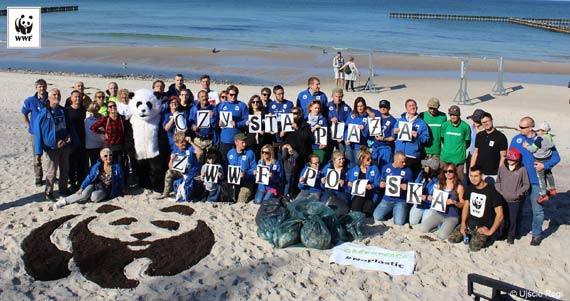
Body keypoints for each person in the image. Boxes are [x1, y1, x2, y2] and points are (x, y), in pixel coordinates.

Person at [510, 116, 560, 246]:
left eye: (522, 127)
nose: (519, 129)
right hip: (519, 180)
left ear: (531, 127)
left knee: (537, 209)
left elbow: (556, 158)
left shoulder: (542, 139)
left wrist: (545, 166)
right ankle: (515, 231)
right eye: (519, 126)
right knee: (517, 206)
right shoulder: (517, 139)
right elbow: (510, 157)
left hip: (536, 181)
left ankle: (536, 234)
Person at [33, 88, 76, 201]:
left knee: (65, 169)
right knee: (51, 171)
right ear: (49, 97)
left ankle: (63, 189)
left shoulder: (63, 110)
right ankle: (49, 192)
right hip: (52, 147)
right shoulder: (44, 113)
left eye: (58, 94)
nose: (57, 96)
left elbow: (69, 126)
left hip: (65, 145)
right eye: (54, 95)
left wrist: (69, 136)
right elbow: (38, 132)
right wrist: (40, 150)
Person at [448, 165, 504, 252]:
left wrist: (490, 231)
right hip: (470, 224)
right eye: (471, 176)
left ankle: (489, 237)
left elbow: (500, 215)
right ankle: (470, 235)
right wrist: (463, 224)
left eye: (476, 176)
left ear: (481, 176)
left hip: (483, 227)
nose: (473, 179)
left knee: (473, 247)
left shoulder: (492, 192)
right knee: (452, 238)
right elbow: (466, 207)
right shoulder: (470, 189)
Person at [54, 148, 125, 209]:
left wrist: (122, 190)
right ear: (102, 157)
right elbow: (89, 177)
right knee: (83, 194)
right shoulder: (97, 166)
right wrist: (82, 188)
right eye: (105, 156)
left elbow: (120, 179)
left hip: (106, 189)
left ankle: (89, 195)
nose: (108, 157)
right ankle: (64, 201)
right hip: (95, 184)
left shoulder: (117, 167)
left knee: (94, 197)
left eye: (110, 155)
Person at [419, 162, 466, 240]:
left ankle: (451, 227)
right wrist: (428, 197)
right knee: (423, 228)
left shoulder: (459, 187)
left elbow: (463, 204)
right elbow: (435, 199)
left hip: (451, 216)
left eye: (450, 171)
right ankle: (439, 226)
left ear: (454, 172)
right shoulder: (440, 184)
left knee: (442, 236)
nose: (448, 173)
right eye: (445, 171)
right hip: (438, 213)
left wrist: (454, 202)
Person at [495, 148, 530, 244]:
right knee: (503, 218)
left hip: (514, 200)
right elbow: (498, 181)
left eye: (512, 159)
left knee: (513, 219)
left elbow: (526, 185)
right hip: (502, 198)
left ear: (517, 160)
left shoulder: (522, 170)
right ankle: (502, 234)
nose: (509, 161)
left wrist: (518, 193)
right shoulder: (502, 168)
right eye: (508, 159)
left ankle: (511, 236)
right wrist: (500, 191)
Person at [157, 132, 202, 200]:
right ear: (177, 144)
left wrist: (191, 142)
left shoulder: (189, 148)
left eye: (184, 141)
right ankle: (166, 193)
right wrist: (171, 159)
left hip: (192, 173)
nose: (184, 143)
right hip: (182, 172)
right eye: (181, 142)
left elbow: (200, 152)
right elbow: (171, 168)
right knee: (169, 172)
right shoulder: (175, 150)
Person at [373, 152, 414, 225]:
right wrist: (382, 183)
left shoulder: (408, 171)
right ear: (396, 160)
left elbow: (413, 187)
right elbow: (382, 179)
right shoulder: (386, 168)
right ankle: (389, 215)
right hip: (387, 199)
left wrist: (407, 187)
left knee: (399, 223)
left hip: (400, 200)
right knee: (376, 216)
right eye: (402, 162)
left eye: (405, 161)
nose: (404, 163)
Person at [393, 99, 430, 178]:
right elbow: (393, 136)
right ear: (406, 108)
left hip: (412, 155)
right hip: (399, 154)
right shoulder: (400, 120)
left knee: (411, 178)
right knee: (398, 177)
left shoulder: (421, 123)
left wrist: (418, 136)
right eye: (410, 106)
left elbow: (426, 139)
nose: (412, 107)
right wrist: (394, 132)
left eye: (414, 105)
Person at [22, 79, 48, 186]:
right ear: (36, 88)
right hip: (35, 133)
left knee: (51, 156)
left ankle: (50, 176)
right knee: (37, 156)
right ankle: (38, 177)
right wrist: (29, 126)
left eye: (43, 86)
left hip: (48, 132)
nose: (42, 88)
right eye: (40, 87)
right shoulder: (30, 100)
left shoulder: (50, 99)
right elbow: (24, 113)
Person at [470, 112, 508, 184]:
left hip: (493, 173)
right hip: (479, 172)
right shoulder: (480, 135)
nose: (485, 124)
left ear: (491, 120)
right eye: (483, 122)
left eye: (487, 121)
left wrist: (500, 173)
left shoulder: (500, 137)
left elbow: (503, 156)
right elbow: (475, 152)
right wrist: (471, 169)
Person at [523, 121, 557, 203]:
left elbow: (533, 149)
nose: (536, 132)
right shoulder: (549, 137)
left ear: (544, 131)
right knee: (549, 173)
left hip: (539, 159)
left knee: (541, 178)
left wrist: (526, 146)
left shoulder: (539, 139)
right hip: (548, 158)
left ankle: (543, 194)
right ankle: (553, 188)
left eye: (538, 131)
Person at [90, 101, 127, 169]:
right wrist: (103, 133)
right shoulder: (106, 119)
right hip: (110, 146)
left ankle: (123, 179)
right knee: (111, 166)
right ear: (108, 109)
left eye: (114, 105)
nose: (113, 107)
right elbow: (93, 127)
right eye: (110, 106)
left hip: (121, 145)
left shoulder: (122, 118)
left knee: (122, 165)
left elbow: (127, 130)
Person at [440, 105, 471, 183]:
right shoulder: (445, 125)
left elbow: (468, 142)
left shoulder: (465, 127)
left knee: (459, 181)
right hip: (445, 158)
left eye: (455, 115)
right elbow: (442, 139)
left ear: (459, 115)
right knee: (443, 179)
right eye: (451, 115)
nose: (453, 117)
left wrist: (459, 150)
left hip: (459, 159)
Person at [347, 147, 380, 217]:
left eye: (371, 158)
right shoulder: (355, 169)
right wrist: (350, 184)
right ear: (362, 159)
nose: (370, 161)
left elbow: (377, 183)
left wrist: (372, 186)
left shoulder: (374, 168)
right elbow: (350, 182)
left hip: (370, 196)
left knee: (366, 213)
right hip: (358, 196)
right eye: (368, 159)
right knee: (356, 212)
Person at [218, 85, 249, 157]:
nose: (233, 96)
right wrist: (218, 123)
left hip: (238, 139)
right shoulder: (221, 105)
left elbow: (247, 120)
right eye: (231, 95)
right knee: (224, 161)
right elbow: (216, 118)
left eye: (235, 95)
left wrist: (237, 124)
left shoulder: (242, 105)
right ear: (227, 94)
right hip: (225, 139)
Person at [66, 90, 88, 191]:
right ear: (71, 99)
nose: (77, 99)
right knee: (71, 164)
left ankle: (80, 183)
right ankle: (72, 184)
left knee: (82, 164)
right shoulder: (67, 111)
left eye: (79, 97)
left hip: (83, 140)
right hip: (71, 142)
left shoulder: (84, 110)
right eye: (75, 97)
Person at [409, 157, 440, 226]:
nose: (424, 167)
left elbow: (438, 200)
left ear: (431, 169)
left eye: (426, 166)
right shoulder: (421, 174)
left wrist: (426, 198)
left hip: (430, 206)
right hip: (420, 203)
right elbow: (415, 185)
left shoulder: (439, 181)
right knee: (412, 222)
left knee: (424, 224)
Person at [227, 133, 257, 203]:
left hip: (246, 182)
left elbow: (254, 169)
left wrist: (245, 173)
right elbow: (227, 167)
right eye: (242, 142)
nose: (244, 144)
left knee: (241, 201)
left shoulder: (250, 153)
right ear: (236, 142)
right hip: (233, 182)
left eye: (245, 142)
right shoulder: (230, 153)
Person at [188, 90, 217, 154]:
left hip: (210, 140)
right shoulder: (194, 108)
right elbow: (190, 121)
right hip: (198, 140)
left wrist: (212, 117)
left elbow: (216, 126)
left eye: (206, 96)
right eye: (202, 96)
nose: (204, 98)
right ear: (198, 98)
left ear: (208, 97)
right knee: (198, 160)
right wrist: (193, 126)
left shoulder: (213, 109)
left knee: (209, 162)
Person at [344, 97, 369, 168]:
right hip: (350, 144)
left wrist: (364, 129)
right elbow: (347, 129)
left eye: (361, 106)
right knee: (350, 164)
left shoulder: (367, 117)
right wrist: (346, 139)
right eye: (358, 106)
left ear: (364, 106)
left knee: (359, 164)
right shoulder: (352, 115)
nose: (360, 108)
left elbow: (368, 134)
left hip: (360, 146)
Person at [371, 99, 397, 169]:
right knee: (375, 168)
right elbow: (367, 108)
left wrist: (383, 139)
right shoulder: (377, 116)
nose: (383, 108)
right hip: (375, 147)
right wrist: (370, 113)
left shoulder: (393, 121)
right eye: (381, 107)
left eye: (385, 107)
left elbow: (393, 138)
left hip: (386, 148)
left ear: (389, 108)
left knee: (385, 168)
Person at [246, 95, 274, 159]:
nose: (255, 103)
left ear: (260, 103)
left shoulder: (264, 113)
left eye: (257, 102)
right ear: (251, 103)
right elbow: (244, 128)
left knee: (261, 157)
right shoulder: (248, 113)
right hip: (251, 139)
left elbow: (268, 126)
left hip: (262, 139)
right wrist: (246, 124)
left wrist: (264, 130)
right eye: (253, 102)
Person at [327, 88, 352, 153]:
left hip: (341, 136)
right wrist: (330, 120)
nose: (338, 98)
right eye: (336, 96)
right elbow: (322, 119)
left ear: (342, 96)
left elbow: (350, 122)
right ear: (332, 96)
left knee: (341, 153)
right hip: (330, 135)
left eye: (340, 96)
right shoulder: (327, 106)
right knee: (329, 154)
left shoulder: (347, 108)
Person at [84, 103, 105, 168]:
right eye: (93, 109)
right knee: (95, 164)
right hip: (93, 146)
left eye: (96, 108)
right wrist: (104, 139)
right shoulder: (88, 120)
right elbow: (91, 135)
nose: (95, 110)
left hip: (102, 146)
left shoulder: (102, 117)